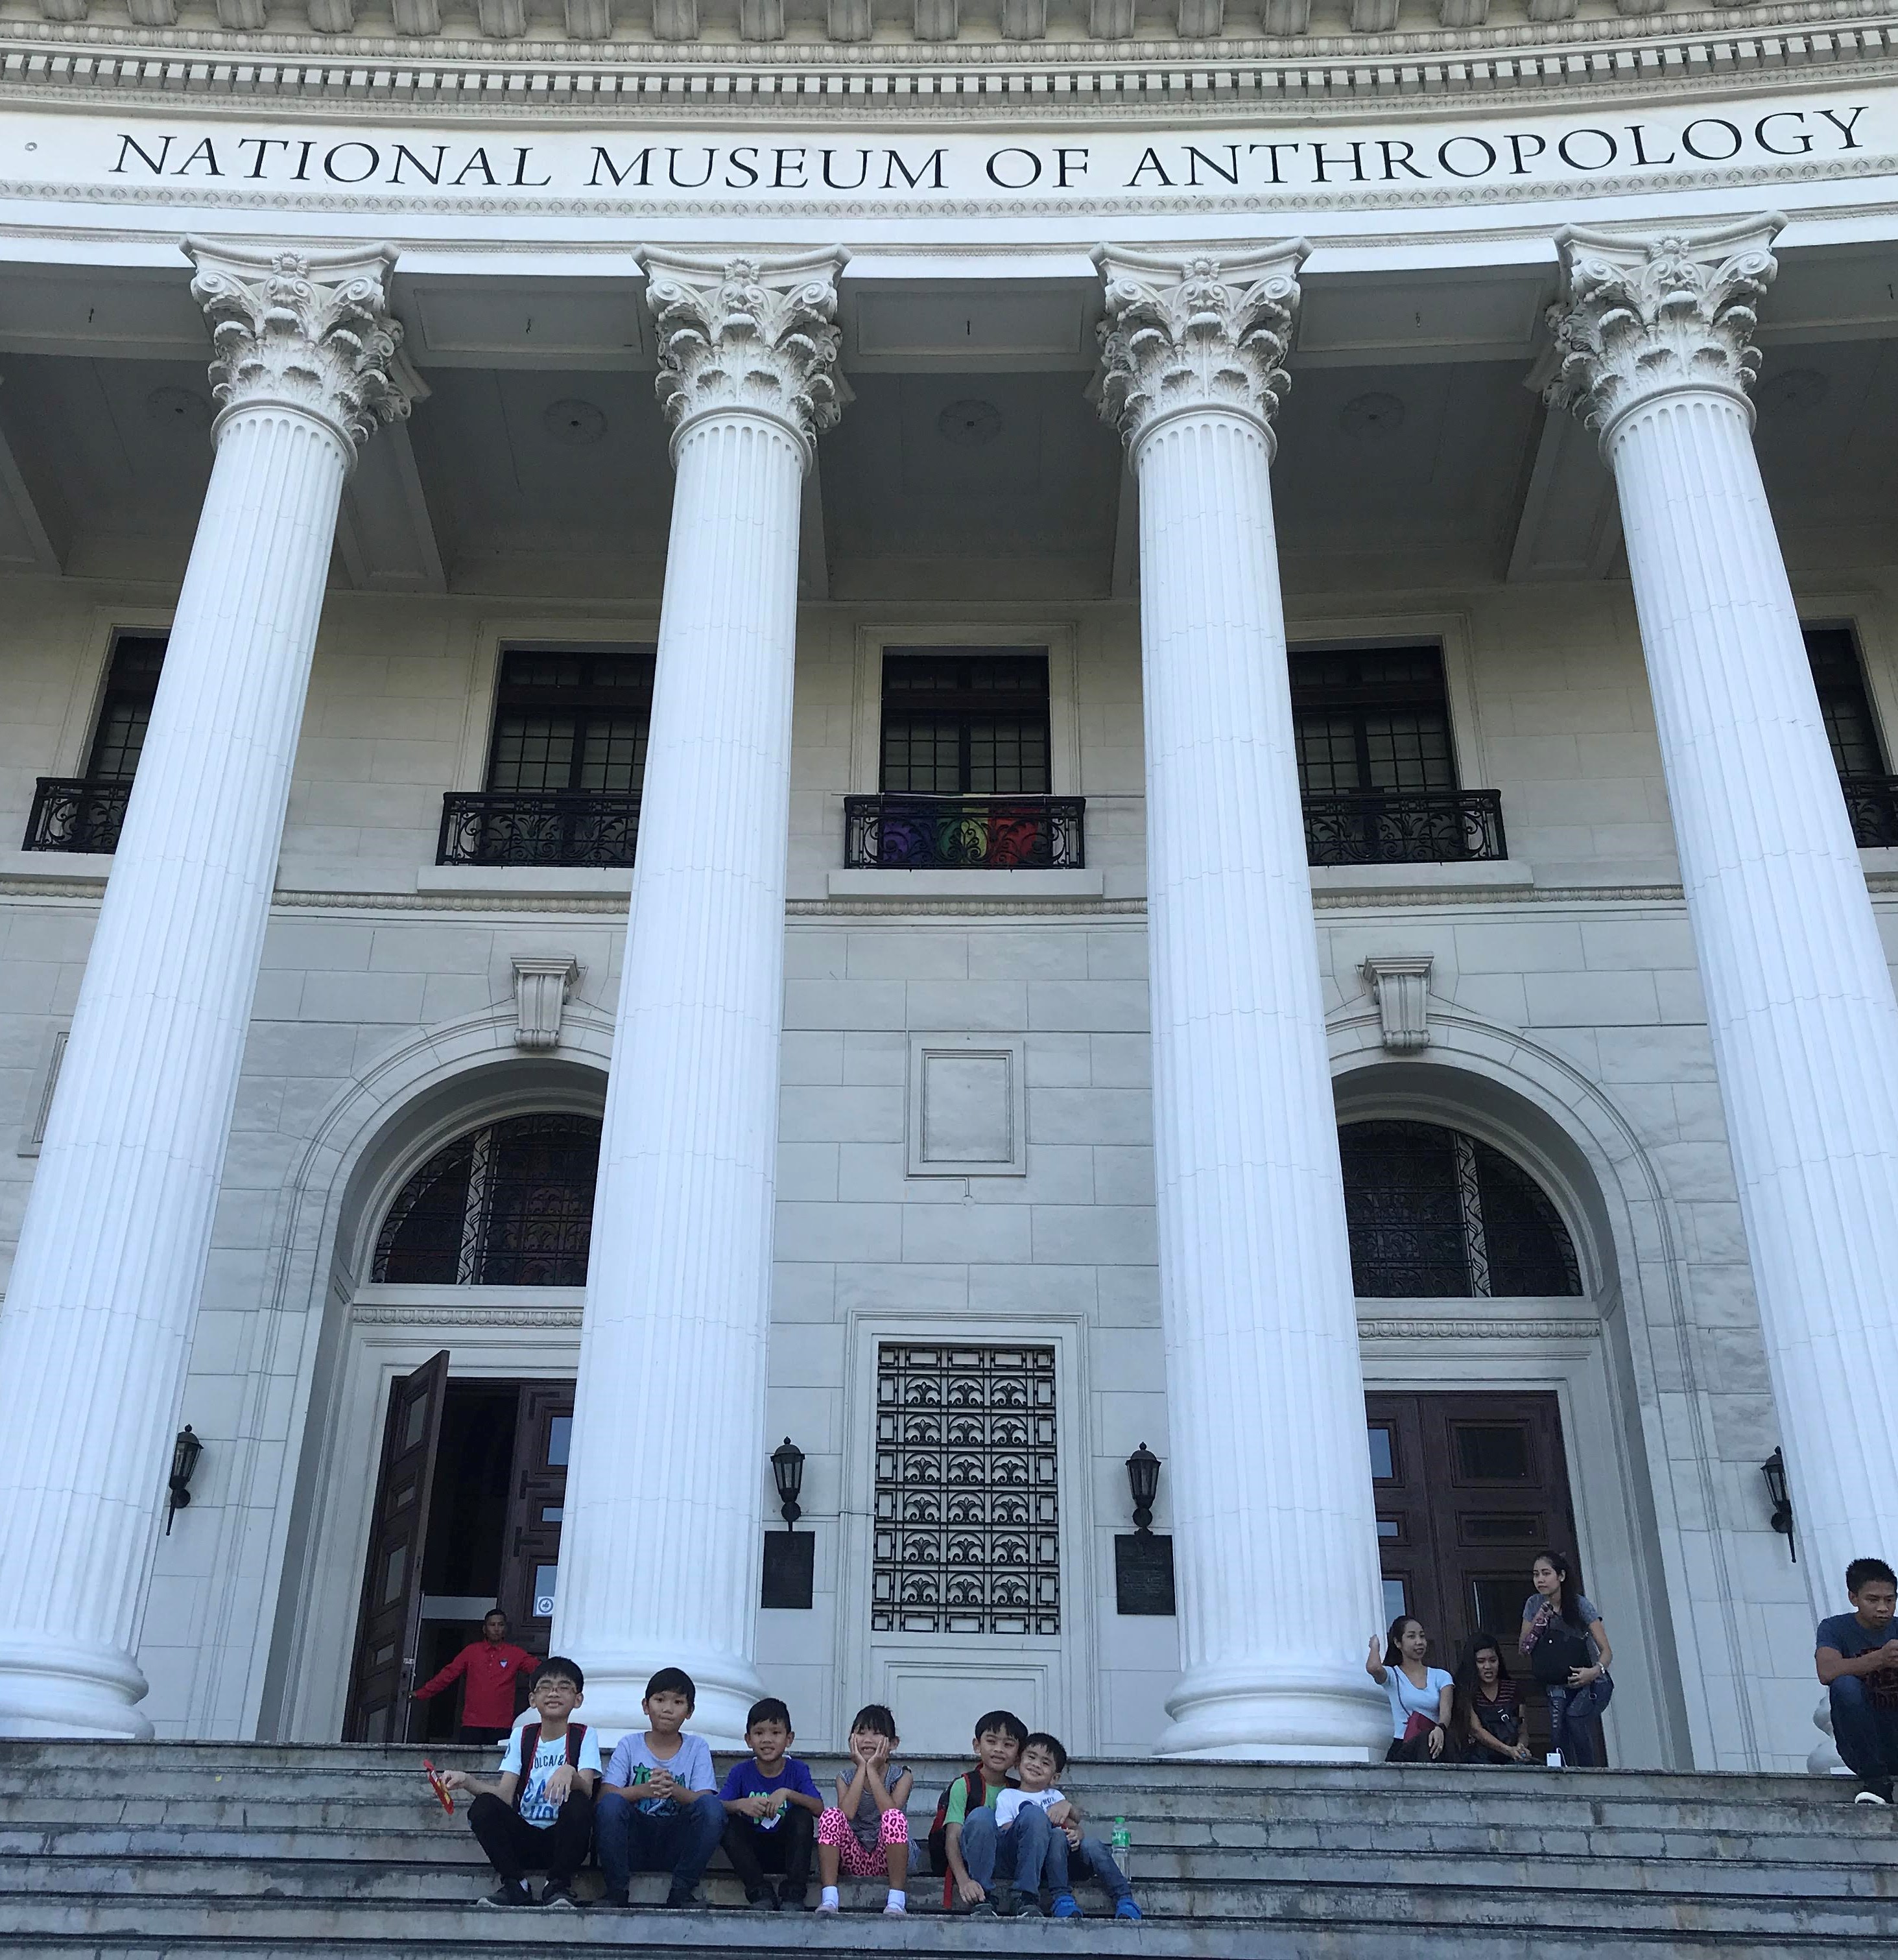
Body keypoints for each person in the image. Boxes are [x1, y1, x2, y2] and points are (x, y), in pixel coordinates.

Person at [435, 1655, 599, 1909]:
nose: (554, 1693)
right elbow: (504, 1795)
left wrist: (569, 1771)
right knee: (484, 1806)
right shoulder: (522, 1736)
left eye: (564, 1687)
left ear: (578, 1699)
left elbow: (587, 1790)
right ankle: (515, 1884)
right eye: (545, 1687)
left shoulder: (585, 1735)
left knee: (578, 1802)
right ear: (532, 1699)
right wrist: (467, 1781)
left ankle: (557, 1884)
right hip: (525, 1836)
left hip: (564, 1839)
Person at [593, 1666, 724, 1909]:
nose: (667, 1709)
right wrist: (643, 1790)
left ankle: (682, 1891)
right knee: (611, 1805)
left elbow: (706, 1802)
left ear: (689, 1711)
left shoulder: (697, 1747)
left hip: (677, 1841)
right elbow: (605, 1796)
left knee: (712, 1808)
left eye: (678, 1702)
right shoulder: (629, 1744)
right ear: (646, 1706)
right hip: (635, 1839)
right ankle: (616, 1890)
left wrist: (674, 1790)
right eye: (660, 1700)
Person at [993, 1732, 1141, 1923]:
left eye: (1045, 1763)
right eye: (1031, 1757)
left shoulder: (1055, 1797)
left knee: (1093, 1845)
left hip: (1062, 1858)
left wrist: (1076, 1832)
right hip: (1029, 1860)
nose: (1036, 1765)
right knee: (1055, 1835)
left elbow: (1075, 1826)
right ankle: (1062, 1898)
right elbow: (1006, 1830)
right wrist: (1043, 1827)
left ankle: (1125, 1899)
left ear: (1054, 1778)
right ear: (1018, 1762)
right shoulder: (1008, 1796)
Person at [718, 1695, 823, 1911]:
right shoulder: (740, 1772)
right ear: (748, 1739)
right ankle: (759, 1892)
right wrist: (741, 1804)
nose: (767, 1740)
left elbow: (819, 1808)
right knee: (728, 1823)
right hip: (753, 1852)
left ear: (789, 1739)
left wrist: (788, 1793)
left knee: (802, 1816)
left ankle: (794, 1894)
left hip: (786, 1851)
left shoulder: (797, 1770)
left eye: (775, 1733)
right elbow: (717, 1806)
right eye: (759, 1733)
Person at [815, 1702, 914, 1917]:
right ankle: (830, 1898)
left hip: (890, 1857)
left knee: (894, 1818)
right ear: (851, 1740)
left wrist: (872, 1770)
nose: (867, 1739)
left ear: (893, 1743)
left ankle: (896, 1901)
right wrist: (863, 1768)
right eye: (861, 1733)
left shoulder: (902, 1776)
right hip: (856, 1856)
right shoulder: (844, 1778)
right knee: (831, 1815)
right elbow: (847, 1814)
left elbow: (890, 1812)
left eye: (876, 1733)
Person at [1520, 1549, 1614, 1766]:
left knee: (1575, 1718)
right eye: (1536, 1574)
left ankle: (1589, 1775)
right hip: (1556, 1682)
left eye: (1546, 1573)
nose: (1540, 1580)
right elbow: (1523, 1649)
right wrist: (1540, 1620)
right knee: (1557, 1735)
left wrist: (1594, 1672)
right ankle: (1561, 1776)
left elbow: (1607, 1651)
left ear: (1561, 1576)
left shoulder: (1580, 1605)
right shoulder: (1534, 1604)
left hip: (1590, 1682)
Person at [1816, 1555, 1898, 1804]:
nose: (1883, 1608)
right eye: (1873, 1600)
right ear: (1854, 1598)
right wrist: (1880, 1658)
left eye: (1890, 1600)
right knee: (1844, 1685)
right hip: (1865, 1742)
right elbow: (1826, 1672)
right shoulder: (1834, 1628)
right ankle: (1877, 1783)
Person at [927, 1708, 1026, 1914]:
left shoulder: (1020, 1790)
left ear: (1018, 1756)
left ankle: (1026, 1894)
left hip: (1006, 1862)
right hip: (972, 1861)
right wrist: (964, 1881)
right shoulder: (964, 1785)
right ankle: (984, 1894)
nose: (999, 1749)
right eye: (991, 1741)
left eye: (1008, 1745)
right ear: (977, 1745)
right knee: (982, 1817)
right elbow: (953, 1836)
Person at [409, 1607, 536, 1744]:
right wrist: (422, 1693)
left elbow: (541, 1670)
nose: (496, 1629)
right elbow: (447, 1675)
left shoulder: (515, 1654)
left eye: (500, 1625)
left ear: (505, 1628)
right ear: (484, 1629)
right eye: (492, 1625)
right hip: (472, 1723)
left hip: (501, 1724)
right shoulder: (471, 1652)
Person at [1366, 1616, 1453, 1761]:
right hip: (1405, 1745)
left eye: (1422, 1636)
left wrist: (1441, 1728)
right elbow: (1374, 1668)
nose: (1419, 1642)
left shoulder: (1441, 1676)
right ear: (1398, 1643)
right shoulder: (1393, 1675)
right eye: (1412, 1637)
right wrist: (1375, 1645)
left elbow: (1446, 1712)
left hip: (1435, 1743)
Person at [1451, 1633, 1531, 1765]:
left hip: (1512, 1758)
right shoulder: (1465, 1691)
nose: (1488, 1667)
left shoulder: (1512, 1689)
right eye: (1481, 1661)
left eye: (1493, 1660)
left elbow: (1522, 1729)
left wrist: (1520, 1748)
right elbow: (1476, 1730)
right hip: (1479, 1760)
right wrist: (1508, 1750)